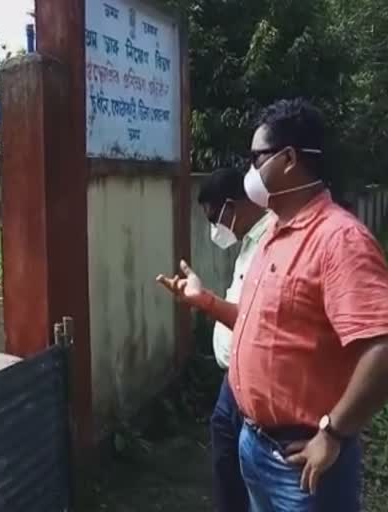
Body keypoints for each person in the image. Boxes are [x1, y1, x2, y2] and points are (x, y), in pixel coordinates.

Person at [158, 99, 388, 511]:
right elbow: (256, 322)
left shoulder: (338, 241)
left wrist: (333, 435)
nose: (249, 171)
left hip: (299, 462)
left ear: (287, 159)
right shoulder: (272, 235)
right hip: (255, 444)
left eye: (255, 158)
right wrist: (204, 300)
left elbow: (381, 348)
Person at [194, 168, 273, 512]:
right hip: (232, 380)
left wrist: (205, 301)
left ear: (235, 204)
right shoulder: (248, 242)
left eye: (216, 217)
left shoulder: (272, 240)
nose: (215, 228)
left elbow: (256, 318)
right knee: (227, 461)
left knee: (251, 473)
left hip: (257, 382)